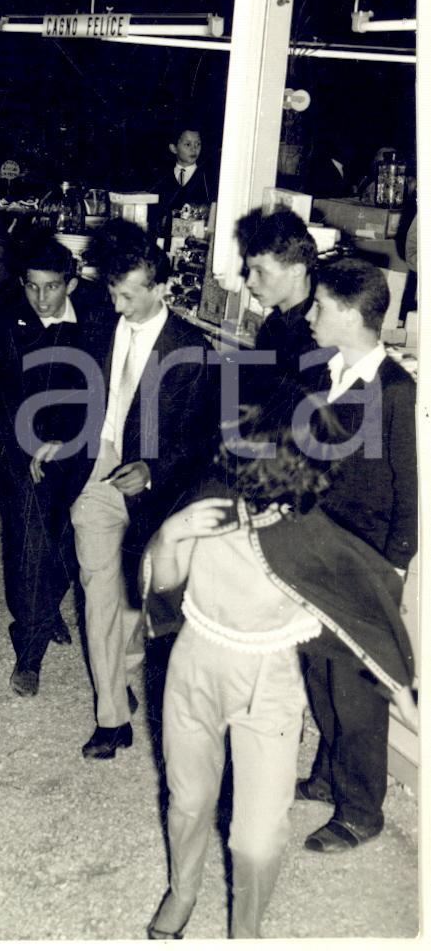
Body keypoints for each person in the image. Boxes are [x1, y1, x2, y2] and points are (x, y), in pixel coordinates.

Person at [143, 398, 417, 939]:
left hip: (269, 686)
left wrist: (401, 686)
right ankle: (183, 889)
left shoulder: (310, 536)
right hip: (195, 668)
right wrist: (171, 534)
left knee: (259, 837)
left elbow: (361, 612)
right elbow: (164, 586)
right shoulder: (209, 504)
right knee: (189, 798)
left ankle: (247, 931)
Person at [66, 219, 216, 759]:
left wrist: (151, 469)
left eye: (128, 294)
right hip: (97, 471)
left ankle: (127, 660)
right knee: (99, 587)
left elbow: (200, 440)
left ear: (160, 289)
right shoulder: (98, 327)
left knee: (139, 593)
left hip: (158, 488)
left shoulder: (192, 350)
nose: (117, 303)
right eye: (111, 290)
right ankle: (112, 715)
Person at [297, 257, 418, 852]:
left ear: (348, 314)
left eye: (320, 306)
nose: (311, 314)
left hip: (364, 561)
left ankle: (362, 809)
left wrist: (394, 565)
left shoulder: (395, 389)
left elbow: (408, 485)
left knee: (356, 689)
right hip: (317, 548)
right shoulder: (326, 373)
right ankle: (327, 774)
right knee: (318, 670)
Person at [0, 235, 93, 696]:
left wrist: (66, 439)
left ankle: (48, 608)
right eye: (31, 287)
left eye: (51, 287)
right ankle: (29, 651)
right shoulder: (2, 318)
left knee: (69, 542)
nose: (41, 299)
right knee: (30, 541)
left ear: (70, 282)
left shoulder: (96, 319)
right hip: (20, 449)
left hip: (76, 447)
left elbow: (100, 391)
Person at [239, 207, 328, 395]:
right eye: (249, 271)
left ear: (297, 270)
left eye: (260, 272)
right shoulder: (275, 322)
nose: (249, 282)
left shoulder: (316, 337)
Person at [150, 124, 213, 240]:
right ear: (173, 148)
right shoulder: (161, 178)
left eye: (198, 144)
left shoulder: (207, 178)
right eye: (188, 144)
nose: (194, 149)